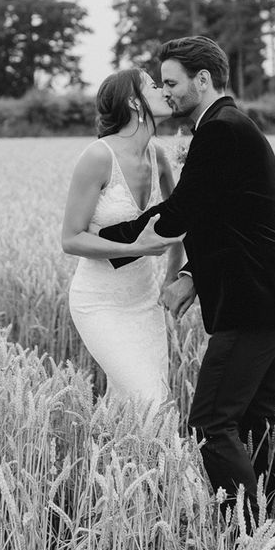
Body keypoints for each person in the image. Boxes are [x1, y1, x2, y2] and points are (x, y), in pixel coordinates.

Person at [98, 36, 275, 531]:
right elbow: (222, 220)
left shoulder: (221, 131)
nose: (166, 93)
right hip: (270, 299)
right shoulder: (225, 127)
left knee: (211, 425)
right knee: (259, 426)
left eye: (171, 83)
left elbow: (179, 215)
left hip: (252, 302)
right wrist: (192, 275)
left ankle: (251, 548)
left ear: (203, 79)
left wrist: (102, 240)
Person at [62, 68, 184, 408]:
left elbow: (179, 220)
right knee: (147, 400)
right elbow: (71, 239)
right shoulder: (99, 156)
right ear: (134, 100)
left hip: (145, 302)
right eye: (154, 85)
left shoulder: (157, 155)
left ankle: (107, 459)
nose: (164, 90)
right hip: (99, 303)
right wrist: (134, 247)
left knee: (138, 403)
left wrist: (174, 277)